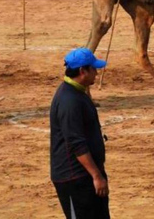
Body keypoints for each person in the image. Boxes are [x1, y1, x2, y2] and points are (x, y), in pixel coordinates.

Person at [50, 48, 110, 219]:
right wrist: (96, 176)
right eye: (93, 69)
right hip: (76, 179)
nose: (97, 73)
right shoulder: (69, 101)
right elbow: (76, 144)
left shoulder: (76, 92)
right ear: (83, 71)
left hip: (85, 176)